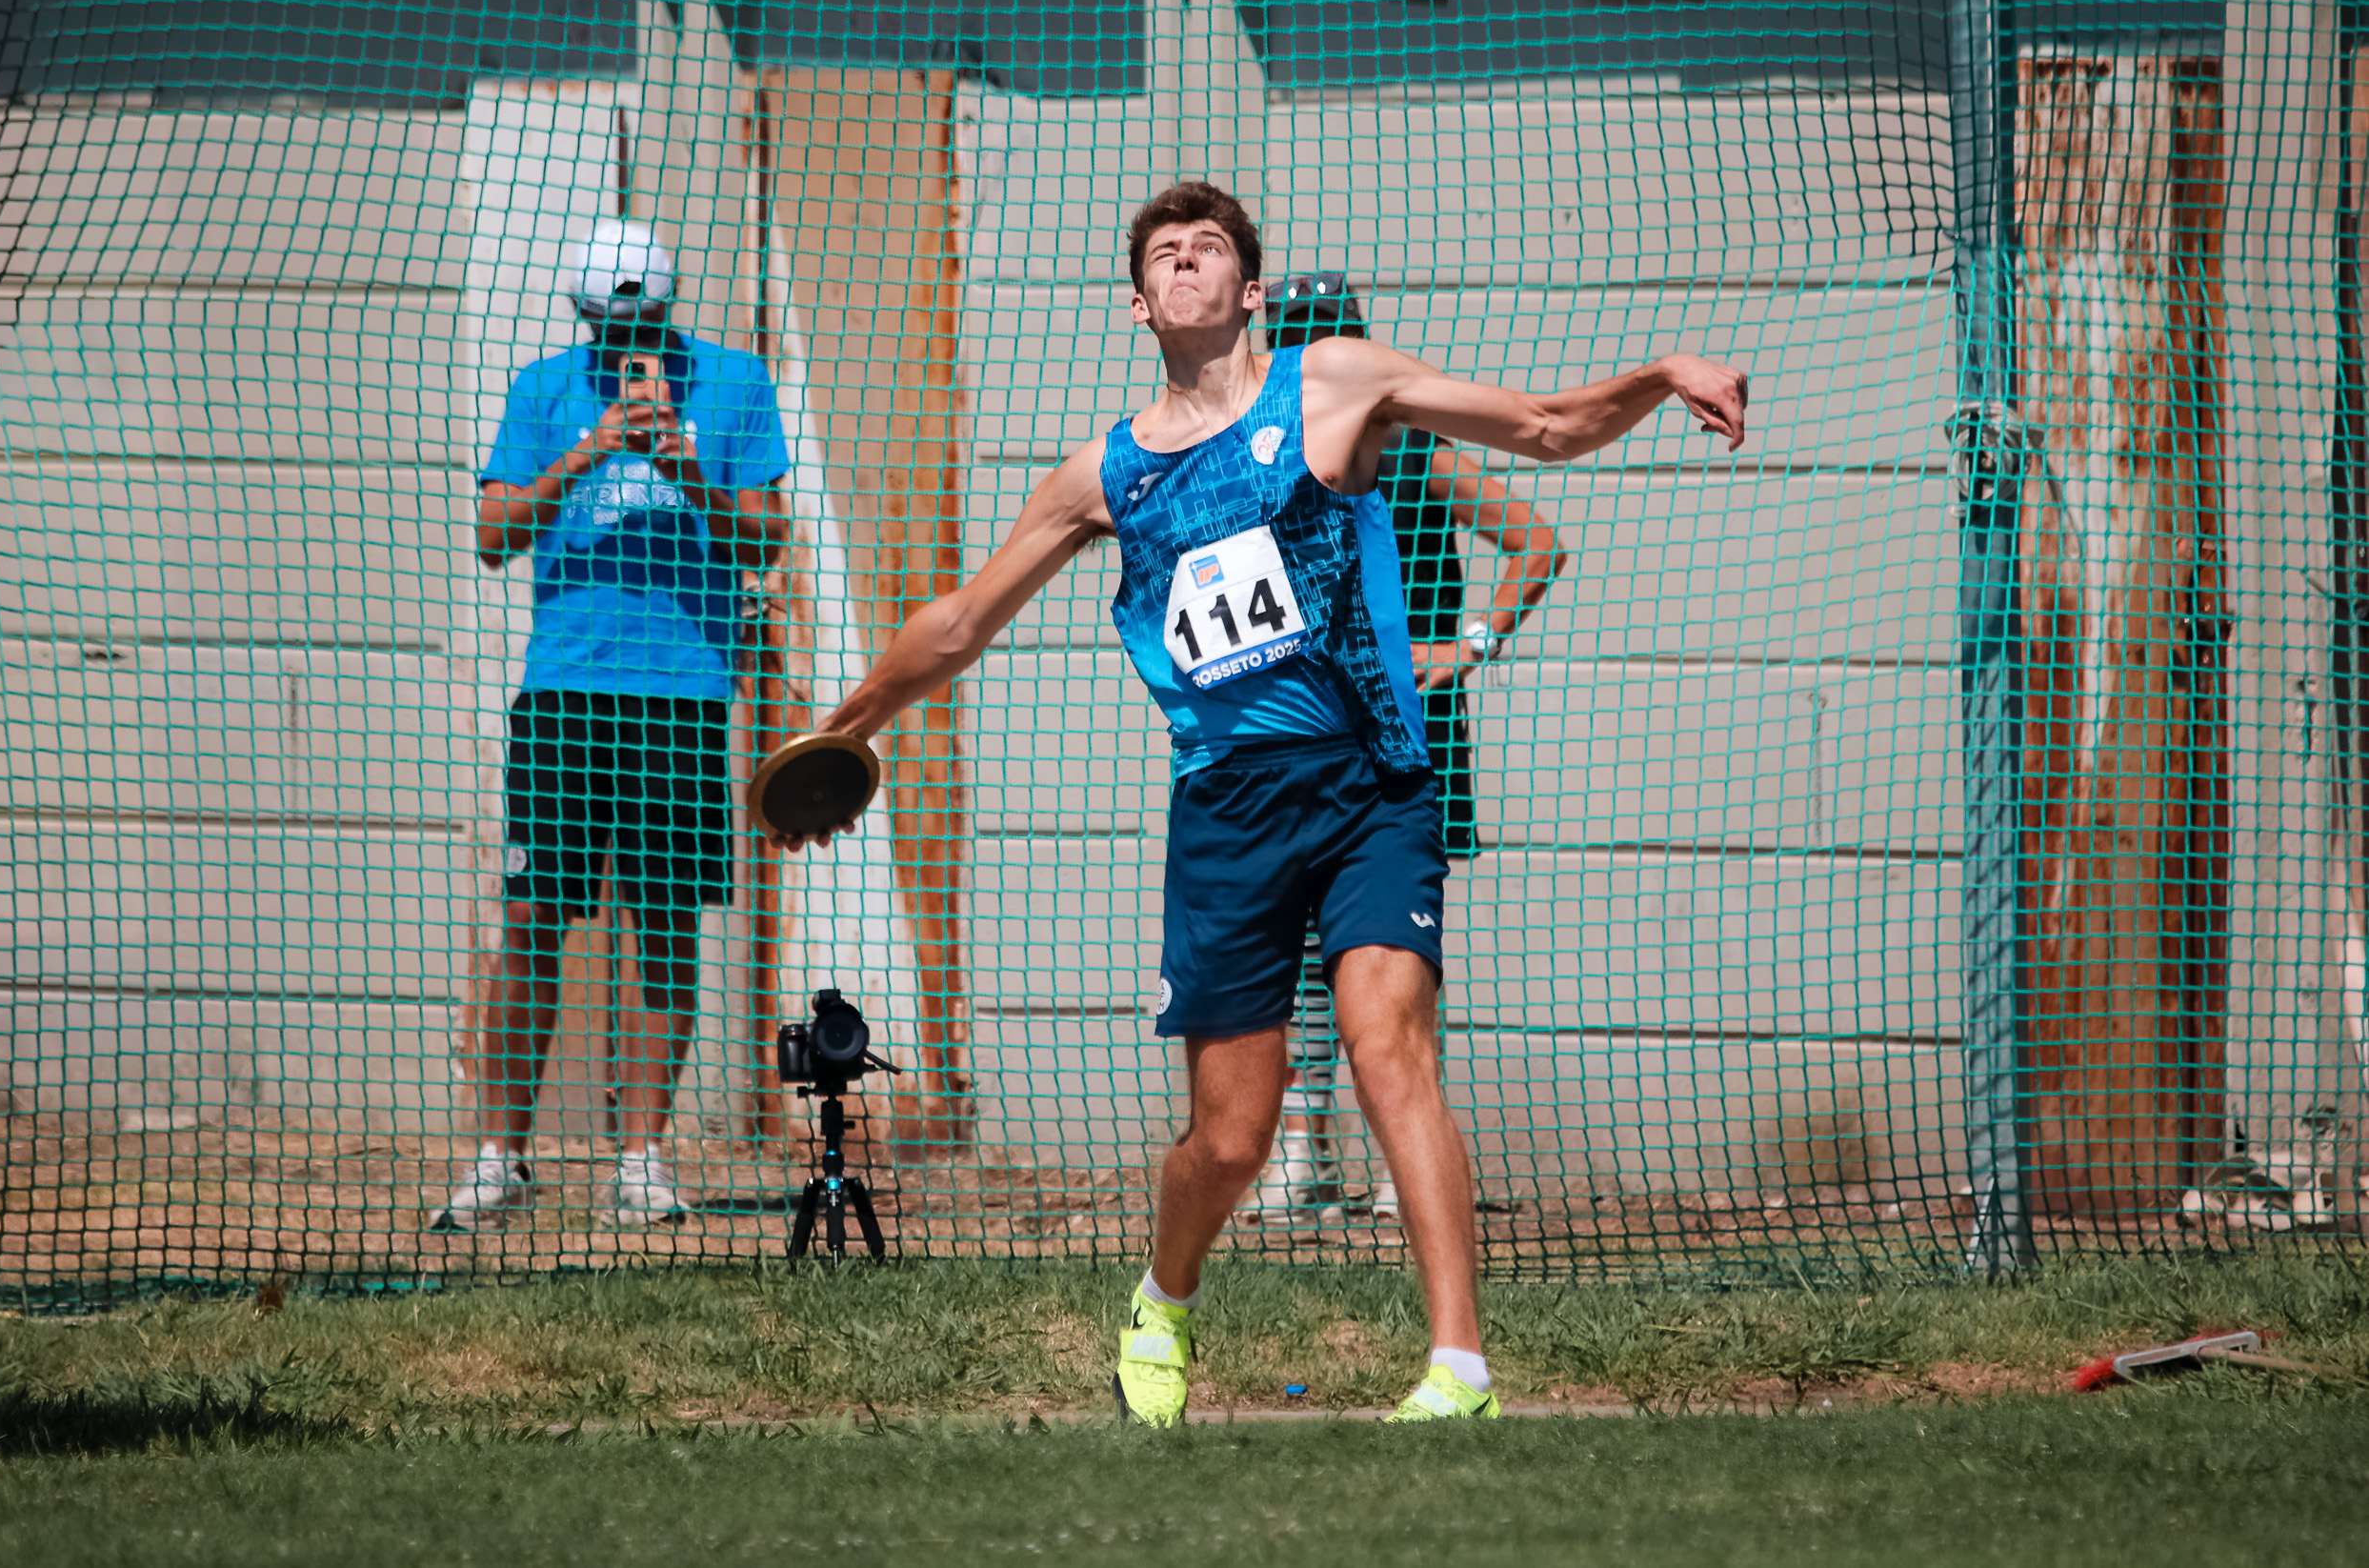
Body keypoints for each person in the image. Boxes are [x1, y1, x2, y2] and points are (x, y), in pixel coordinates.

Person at [773, 184, 1746, 1421]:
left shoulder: (1331, 382)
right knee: (1232, 1137)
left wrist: (1661, 373)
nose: (1186, 264)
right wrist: (845, 730)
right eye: (1164, 255)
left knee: (1389, 1051)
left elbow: (1546, 427)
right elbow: (962, 621)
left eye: (1209, 249)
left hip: (1373, 783)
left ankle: (1460, 1366)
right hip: (1228, 810)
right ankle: (1163, 1297)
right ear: (1139, 304)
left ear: (1250, 289)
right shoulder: (1105, 475)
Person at [431, 219, 792, 1232]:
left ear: (669, 311)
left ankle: (640, 1160)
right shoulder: (545, 389)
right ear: (581, 316)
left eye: (643, 325)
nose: (627, 346)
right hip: (565, 691)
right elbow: (493, 536)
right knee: (534, 919)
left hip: (682, 691)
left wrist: (684, 467)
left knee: (665, 924)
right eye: (608, 327)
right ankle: (500, 1157)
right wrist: (592, 448)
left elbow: (768, 536)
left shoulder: (733, 381)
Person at [1243, 271, 1570, 1225]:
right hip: (1296, 724)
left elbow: (1536, 542)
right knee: (1294, 938)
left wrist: (1467, 645)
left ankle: (1402, 1158)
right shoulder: (1257, 453)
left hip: (1400, 731)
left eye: (1324, 340)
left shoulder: (1414, 447)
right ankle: (1303, 1152)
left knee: (1394, 939)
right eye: (1294, 344)